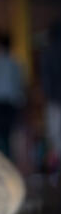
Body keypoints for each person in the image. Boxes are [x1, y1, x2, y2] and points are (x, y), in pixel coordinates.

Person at [40, 21, 61, 173]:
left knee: (55, 136)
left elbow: (45, 78)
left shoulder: (48, 52)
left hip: (54, 99)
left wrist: (47, 95)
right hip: (54, 98)